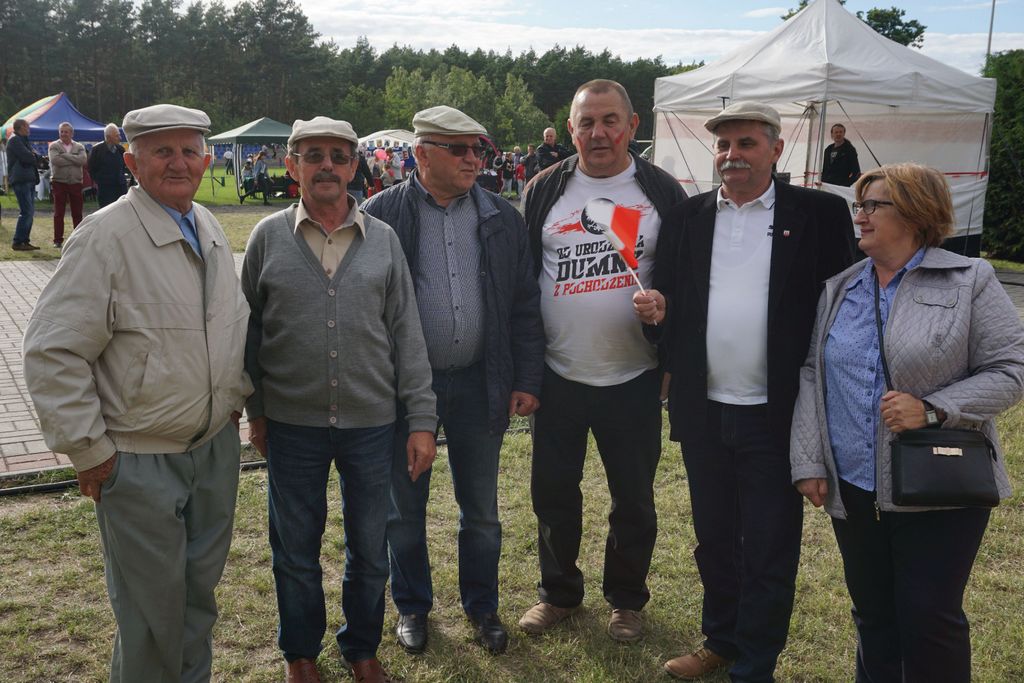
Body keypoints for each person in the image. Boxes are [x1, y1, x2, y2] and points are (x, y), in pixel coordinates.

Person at [23, 104, 252, 682]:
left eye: (189, 151)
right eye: (161, 151)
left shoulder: (207, 224)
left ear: (206, 161)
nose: (178, 163)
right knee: (152, 614)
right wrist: (89, 450)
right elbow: (53, 350)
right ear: (131, 161)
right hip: (138, 458)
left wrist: (233, 402)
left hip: (213, 451)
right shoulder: (105, 237)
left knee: (197, 598)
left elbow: (229, 323)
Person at [634, 101, 855, 681]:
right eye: (723, 145)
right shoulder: (688, 216)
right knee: (713, 540)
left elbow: (844, 308)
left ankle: (755, 664)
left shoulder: (819, 213)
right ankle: (720, 641)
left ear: (776, 149)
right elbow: (670, 305)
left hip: (775, 413)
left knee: (768, 545)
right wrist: (658, 313)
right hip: (705, 409)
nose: (732, 155)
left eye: (746, 143)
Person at [790, 162, 1024, 683]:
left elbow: (1012, 369)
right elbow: (811, 372)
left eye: (874, 205)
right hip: (854, 486)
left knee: (929, 620)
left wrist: (933, 408)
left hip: (938, 485)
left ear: (916, 214)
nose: (860, 215)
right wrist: (808, 459)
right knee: (873, 616)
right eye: (860, 205)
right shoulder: (840, 287)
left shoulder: (970, 279)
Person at [242, 116, 437, 683]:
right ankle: (301, 654)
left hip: (372, 424)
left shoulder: (383, 240)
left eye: (337, 155)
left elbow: (407, 334)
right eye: (313, 155)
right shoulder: (267, 237)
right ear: (292, 164)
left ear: (354, 166)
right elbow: (249, 334)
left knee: (371, 548)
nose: (326, 165)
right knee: (294, 549)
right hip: (291, 424)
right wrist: (256, 411)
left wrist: (421, 420)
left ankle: (361, 648)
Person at [363, 105, 544, 656]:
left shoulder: (501, 215)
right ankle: (412, 606)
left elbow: (524, 303)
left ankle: (482, 607)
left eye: (478, 150)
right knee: (404, 507)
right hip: (405, 389)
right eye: (459, 149)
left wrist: (526, 377)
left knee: (482, 510)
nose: (473, 160)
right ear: (421, 153)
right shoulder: (379, 215)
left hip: (480, 381)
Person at [518, 79, 686, 643]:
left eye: (610, 120)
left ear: (632, 126)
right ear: (570, 130)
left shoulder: (660, 191)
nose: (598, 132)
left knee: (633, 499)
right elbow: (524, 280)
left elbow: (685, 276)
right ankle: (559, 593)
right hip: (558, 375)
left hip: (633, 376)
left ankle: (626, 600)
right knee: (553, 494)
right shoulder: (545, 188)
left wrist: (666, 309)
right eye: (586, 122)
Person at [47, 121, 87, 247]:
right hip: (59, 183)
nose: (63, 134)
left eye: (66, 132)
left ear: (72, 133)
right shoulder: (54, 146)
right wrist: (74, 159)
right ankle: (57, 240)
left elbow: (83, 160)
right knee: (59, 213)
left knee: (77, 213)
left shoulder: (79, 146)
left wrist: (64, 155)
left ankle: (78, 238)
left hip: (76, 183)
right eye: (61, 131)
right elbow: (55, 161)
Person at [6, 118, 43, 250]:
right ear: (21, 127)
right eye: (27, 126)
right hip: (21, 179)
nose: (29, 129)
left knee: (29, 212)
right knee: (26, 211)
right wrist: (35, 157)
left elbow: (33, 155)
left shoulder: (22, 140)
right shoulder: (15, 140)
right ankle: (18, 242)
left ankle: (24, 241)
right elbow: (28, 157)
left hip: (28, 179)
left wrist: (34, 156)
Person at [88, 123, 129, 208]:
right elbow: (91, 169)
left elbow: (124, 166)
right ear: (108, 137)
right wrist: (99, 181)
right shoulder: (96, 150)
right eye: (117, 136)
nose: (120, 138)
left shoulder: (120, 149)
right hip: (105, 190)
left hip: (121, 188)